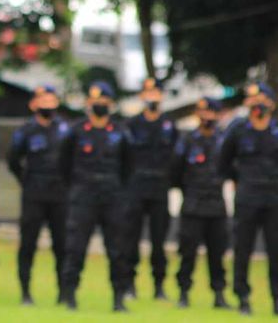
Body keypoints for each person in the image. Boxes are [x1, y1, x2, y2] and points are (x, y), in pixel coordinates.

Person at [58, 81, 131, 312]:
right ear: (88, 103)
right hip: (83, 196)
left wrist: (118, 190)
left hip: (112, 198)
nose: (99, 104)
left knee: (117, 249)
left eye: (103, 100)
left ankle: (119, 297)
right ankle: (69, 295)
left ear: (110, 103)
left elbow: (129, 168)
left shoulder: (121, 133)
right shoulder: (76, 131)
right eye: (94, 100)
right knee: (75, 247)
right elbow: (63, 165)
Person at [220, 82, 278, 316]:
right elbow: (223, 162)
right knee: (243, 250)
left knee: (275, 252)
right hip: (247, 198)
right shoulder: (238, 130)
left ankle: (276, 299)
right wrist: (239, 180)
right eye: (252, 99)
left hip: (274, 199)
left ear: (271, 104)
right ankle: (242, 297)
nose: (257, 104)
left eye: (261, 99)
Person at [8, 85, 68, 305]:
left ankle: (64, 292)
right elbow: (13, 161)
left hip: (60, 195)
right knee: (28, 244)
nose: (47, 105)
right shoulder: (25, 131)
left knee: (62, 244)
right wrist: (26, 181)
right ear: (34, 104)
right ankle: (25, 292)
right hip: (34, 193)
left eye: (51, 100)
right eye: (43, 101)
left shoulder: (65, 130)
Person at [171, 97, 230, 309]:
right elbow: (175, 172)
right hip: (193, 204)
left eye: (209, 112)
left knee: (217, 253)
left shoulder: (224, 140)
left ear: (217, 114)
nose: (205, 117)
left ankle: (219, 294)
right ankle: (184, 292)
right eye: (201, 112)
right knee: (188, 252)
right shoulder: (187, 140)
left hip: (216, 205)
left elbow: (232, 167)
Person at [123, 77, 178, 300]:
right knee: (131, 238)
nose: (152, 97)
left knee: (159, 240)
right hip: (136, 187)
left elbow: (176, 158)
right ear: (141, 96)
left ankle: (159, 286)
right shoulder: (132, 124)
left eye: (156, 93)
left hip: (159, 188)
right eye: (148, 93)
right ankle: (129, 284)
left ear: (162, 96)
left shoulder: (169, 125)